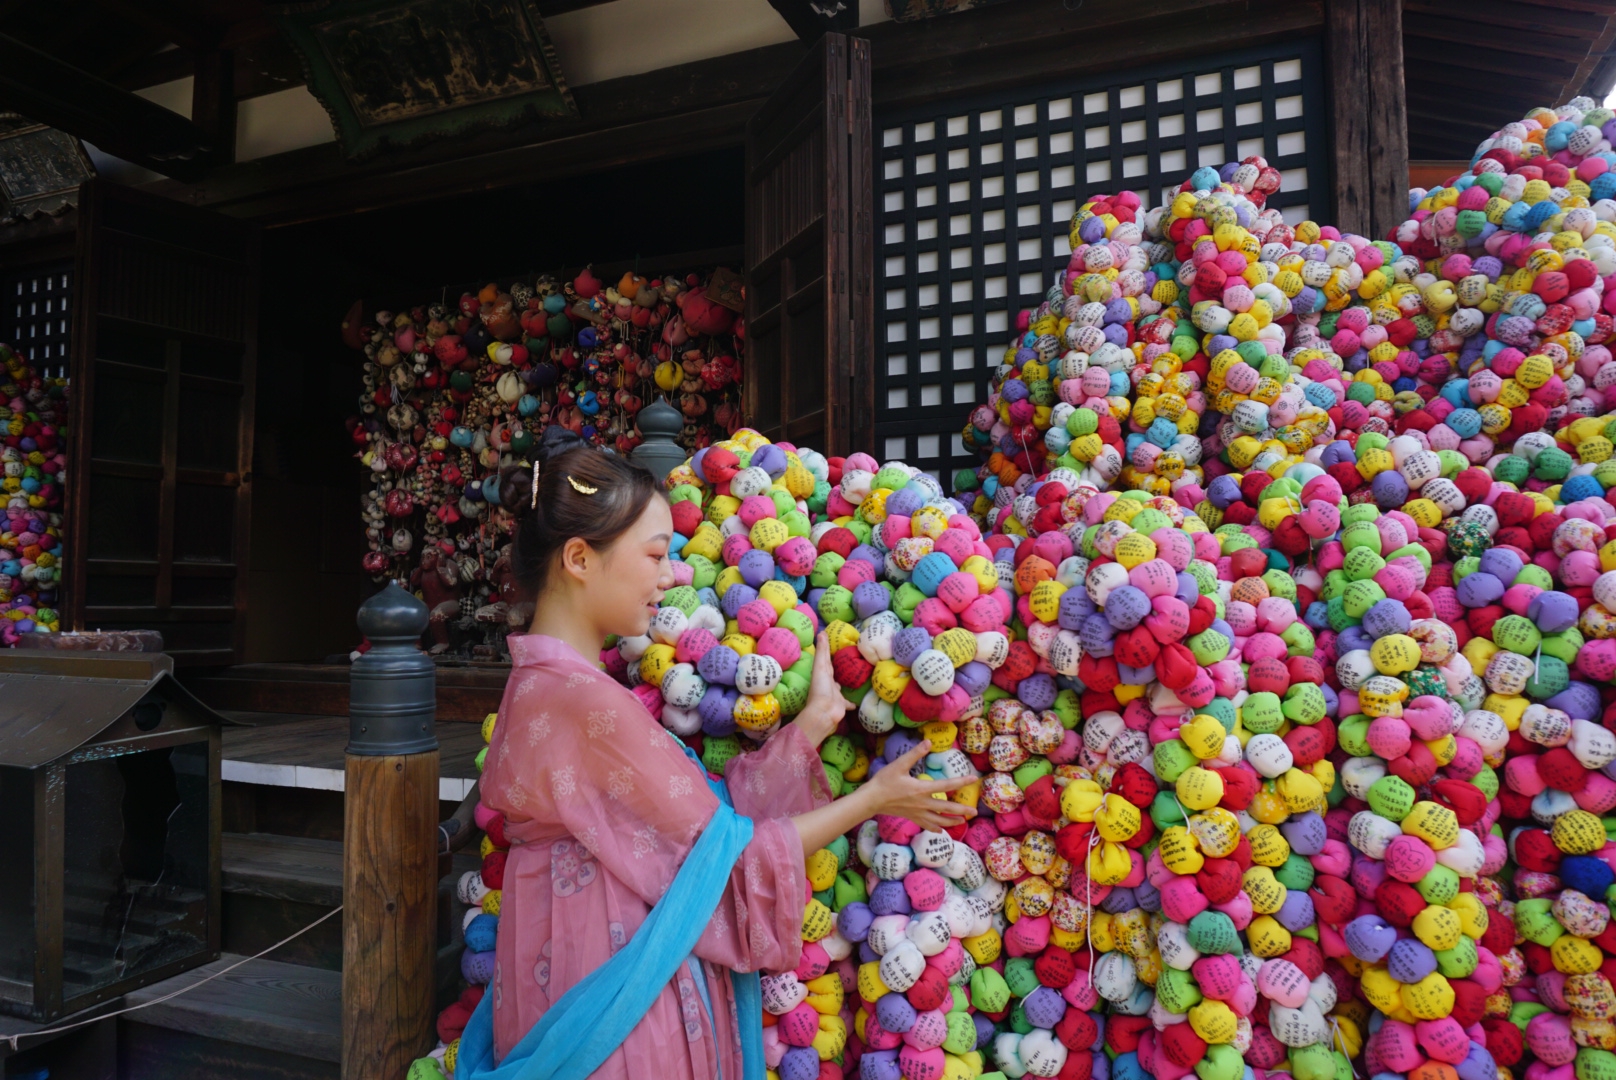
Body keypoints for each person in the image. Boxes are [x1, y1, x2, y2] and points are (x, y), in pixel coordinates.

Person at [457, 429, 974, 1080]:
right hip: (618, 1004)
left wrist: (810, 724)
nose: (671, 574)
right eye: (652, 555)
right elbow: (726, 858)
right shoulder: (587, 705)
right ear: (580, 559)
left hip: (563, 979)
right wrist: (873, 800)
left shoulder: (539, 686)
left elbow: (689, 827)